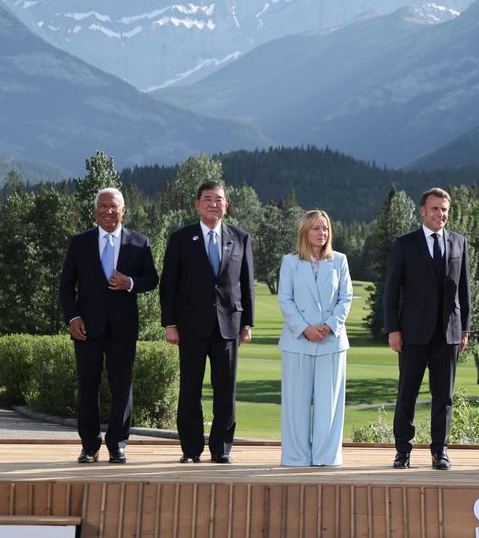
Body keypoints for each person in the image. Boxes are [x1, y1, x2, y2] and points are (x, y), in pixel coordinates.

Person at [58, 187, 158, 464]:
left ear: (123, 210)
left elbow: (152, 279)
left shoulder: (139, 242)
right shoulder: (80, 243)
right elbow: (66, 287)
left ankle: (117, 445)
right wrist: (73, 318)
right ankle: (89, 446)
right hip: (86, 328)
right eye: (103, 206)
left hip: (123, 328)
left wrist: (131, 283)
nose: (108, 211)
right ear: (95, 210)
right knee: (87, 387)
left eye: (114, 207)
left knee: (122, 387)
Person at [160, 181, 255, 464]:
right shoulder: (180, 238)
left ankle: (221, 448)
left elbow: (246, 284)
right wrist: (170, 324)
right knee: (190, 390)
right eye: (208, 199)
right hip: (190, 326)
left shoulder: (240, 238)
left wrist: (247, 324)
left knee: (226, 391)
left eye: (219, 199)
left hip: (228, 326)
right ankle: (190, 450)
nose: (214, 204)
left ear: (227, 205)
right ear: (197, 204)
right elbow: (169, 285)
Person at [384, 188, 471, 470]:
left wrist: (465, 329)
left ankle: (440, 450)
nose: (440, 214)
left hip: (449, 332)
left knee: (443, 396)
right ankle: (403, 451)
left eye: (444, 209)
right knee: (407, 393)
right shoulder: (405, 244)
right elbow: (391, 291)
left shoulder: (459, 243)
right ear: (423, 211)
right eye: (435, 209)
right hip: (412, 332)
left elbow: (465, 292)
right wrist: (393, 329)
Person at [277, 210, 353, 467]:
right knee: (295, 405)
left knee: (329, 405)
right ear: (304, 232)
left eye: (325, 228)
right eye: (316, 228)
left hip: (332, 341)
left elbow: (346, 298)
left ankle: (326, 456)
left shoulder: (339, 261)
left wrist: (330, 326)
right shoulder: (289, 262)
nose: (322, 233)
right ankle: (295, 457)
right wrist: (305, 328)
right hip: (297, 341)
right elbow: (285, 299)